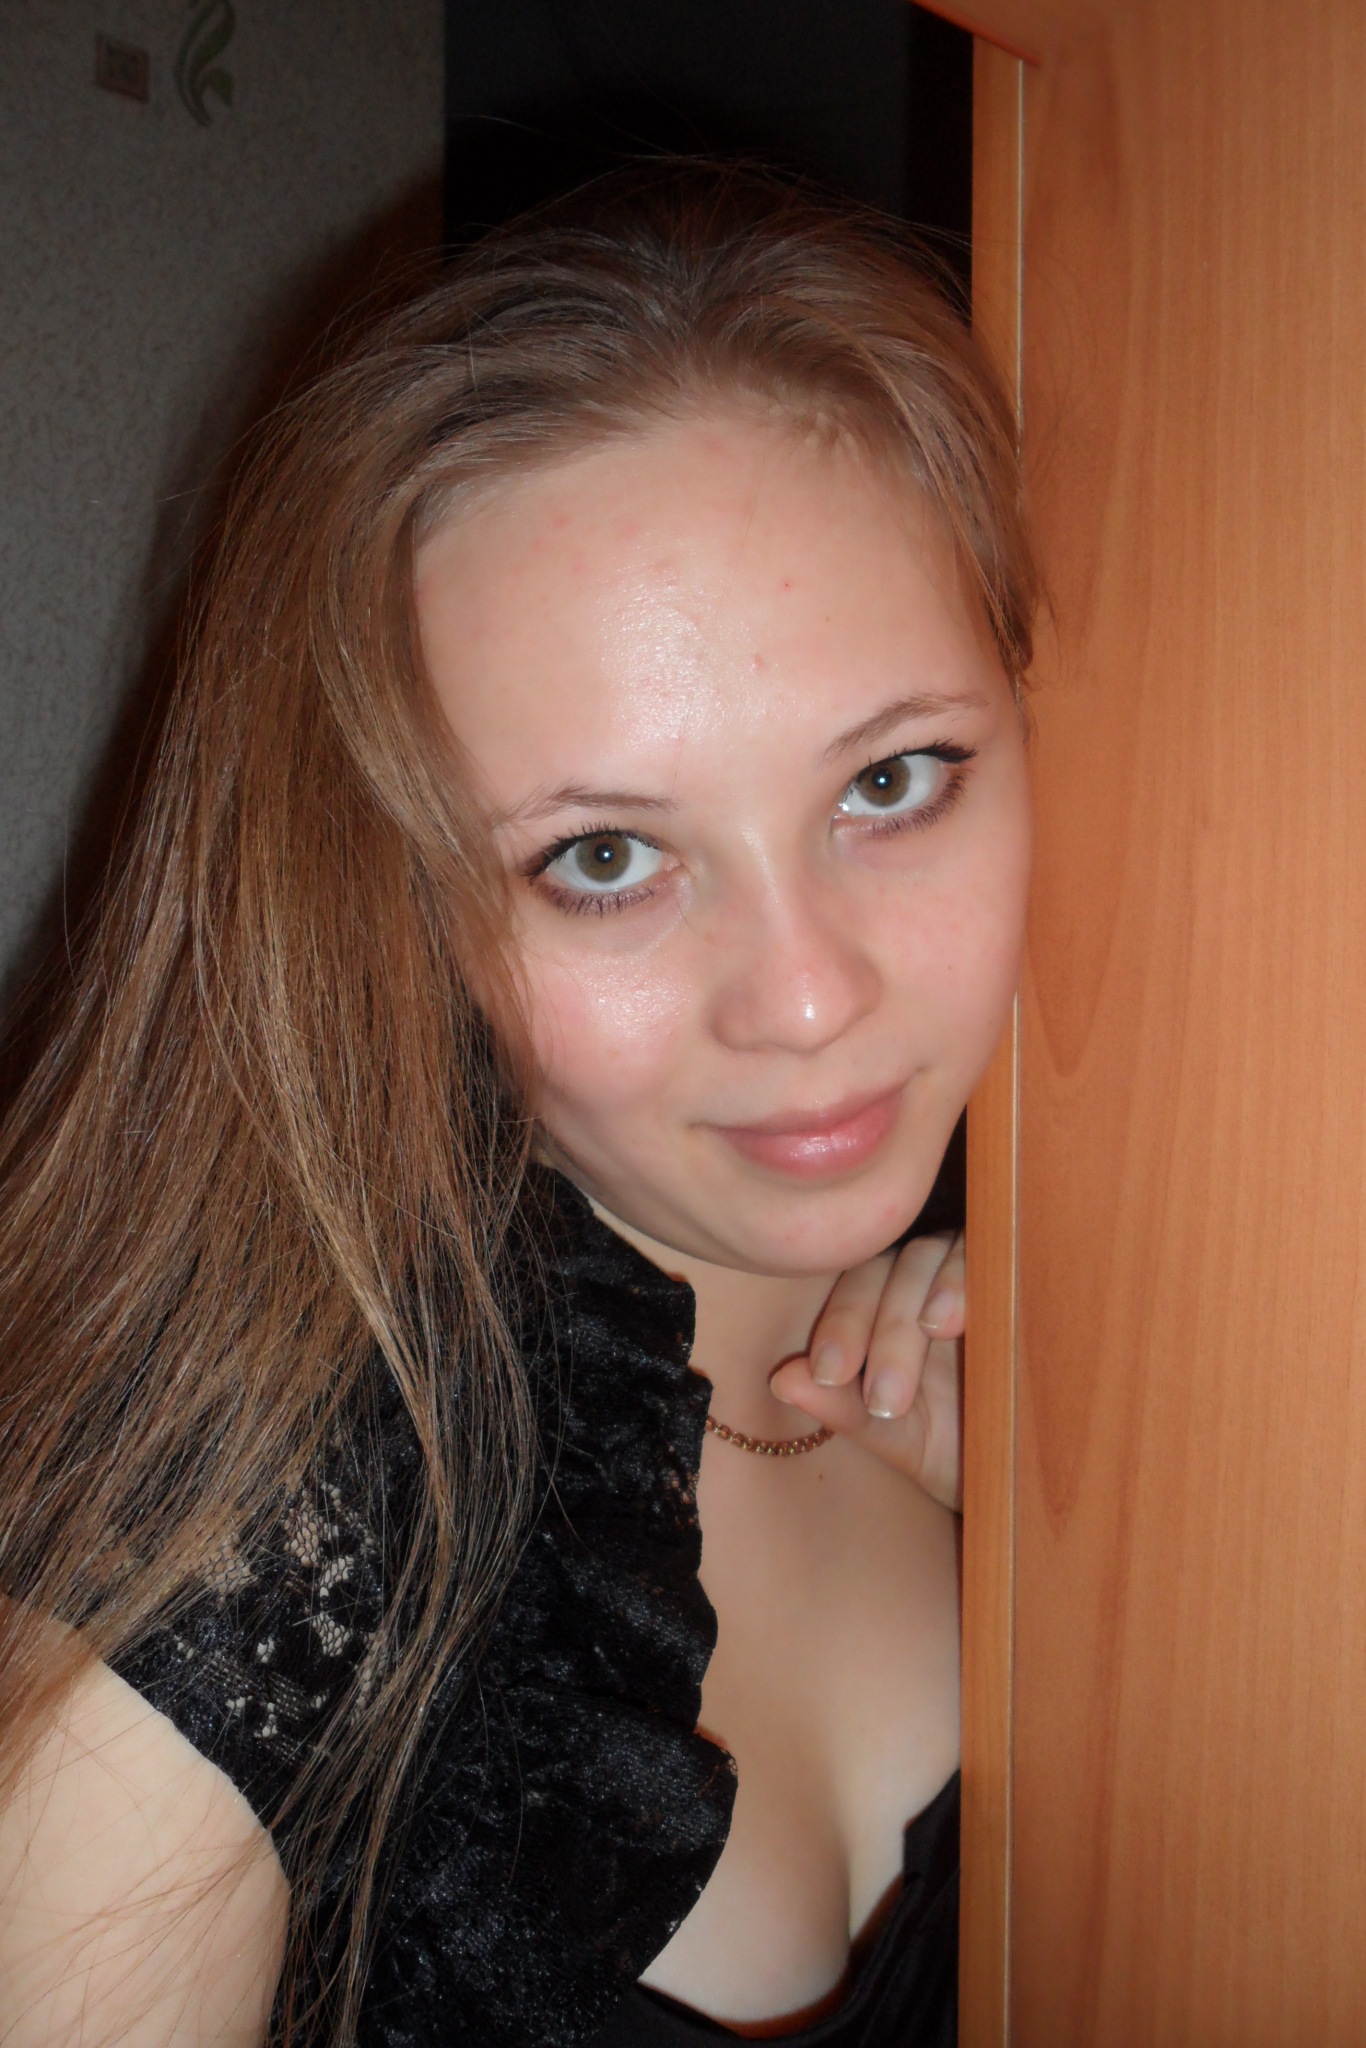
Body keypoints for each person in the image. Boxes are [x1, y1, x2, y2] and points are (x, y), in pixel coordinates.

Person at [0, 163, 1033, 2046]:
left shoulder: (1074, 1354)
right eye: (604, 857)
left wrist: (1078, 1541)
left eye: (891, 782)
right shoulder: (226, 1574)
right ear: (380, 902)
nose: (809, 996)